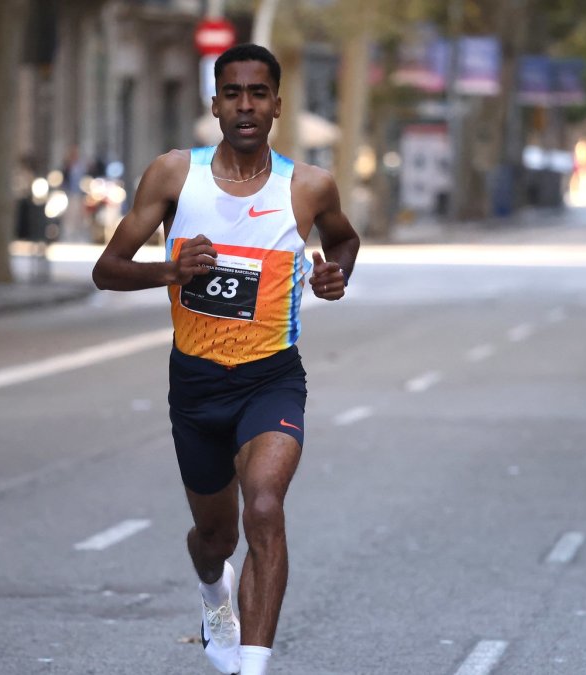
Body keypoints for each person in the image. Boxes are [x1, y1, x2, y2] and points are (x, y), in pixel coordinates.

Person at [92, 44, 360, 675]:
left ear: (276, 105)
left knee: (264, 505)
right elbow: (106, 270)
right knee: (216, 537)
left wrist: (335, 276)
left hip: (271, 378)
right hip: (196, 385)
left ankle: (254, 666)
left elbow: (343, 239)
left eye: (258, 93)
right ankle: (214, 591)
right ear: (214, 104)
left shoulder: (310, 186)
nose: (246, 105)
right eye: (233, 93)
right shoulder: (173, 176)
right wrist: (170, 269)